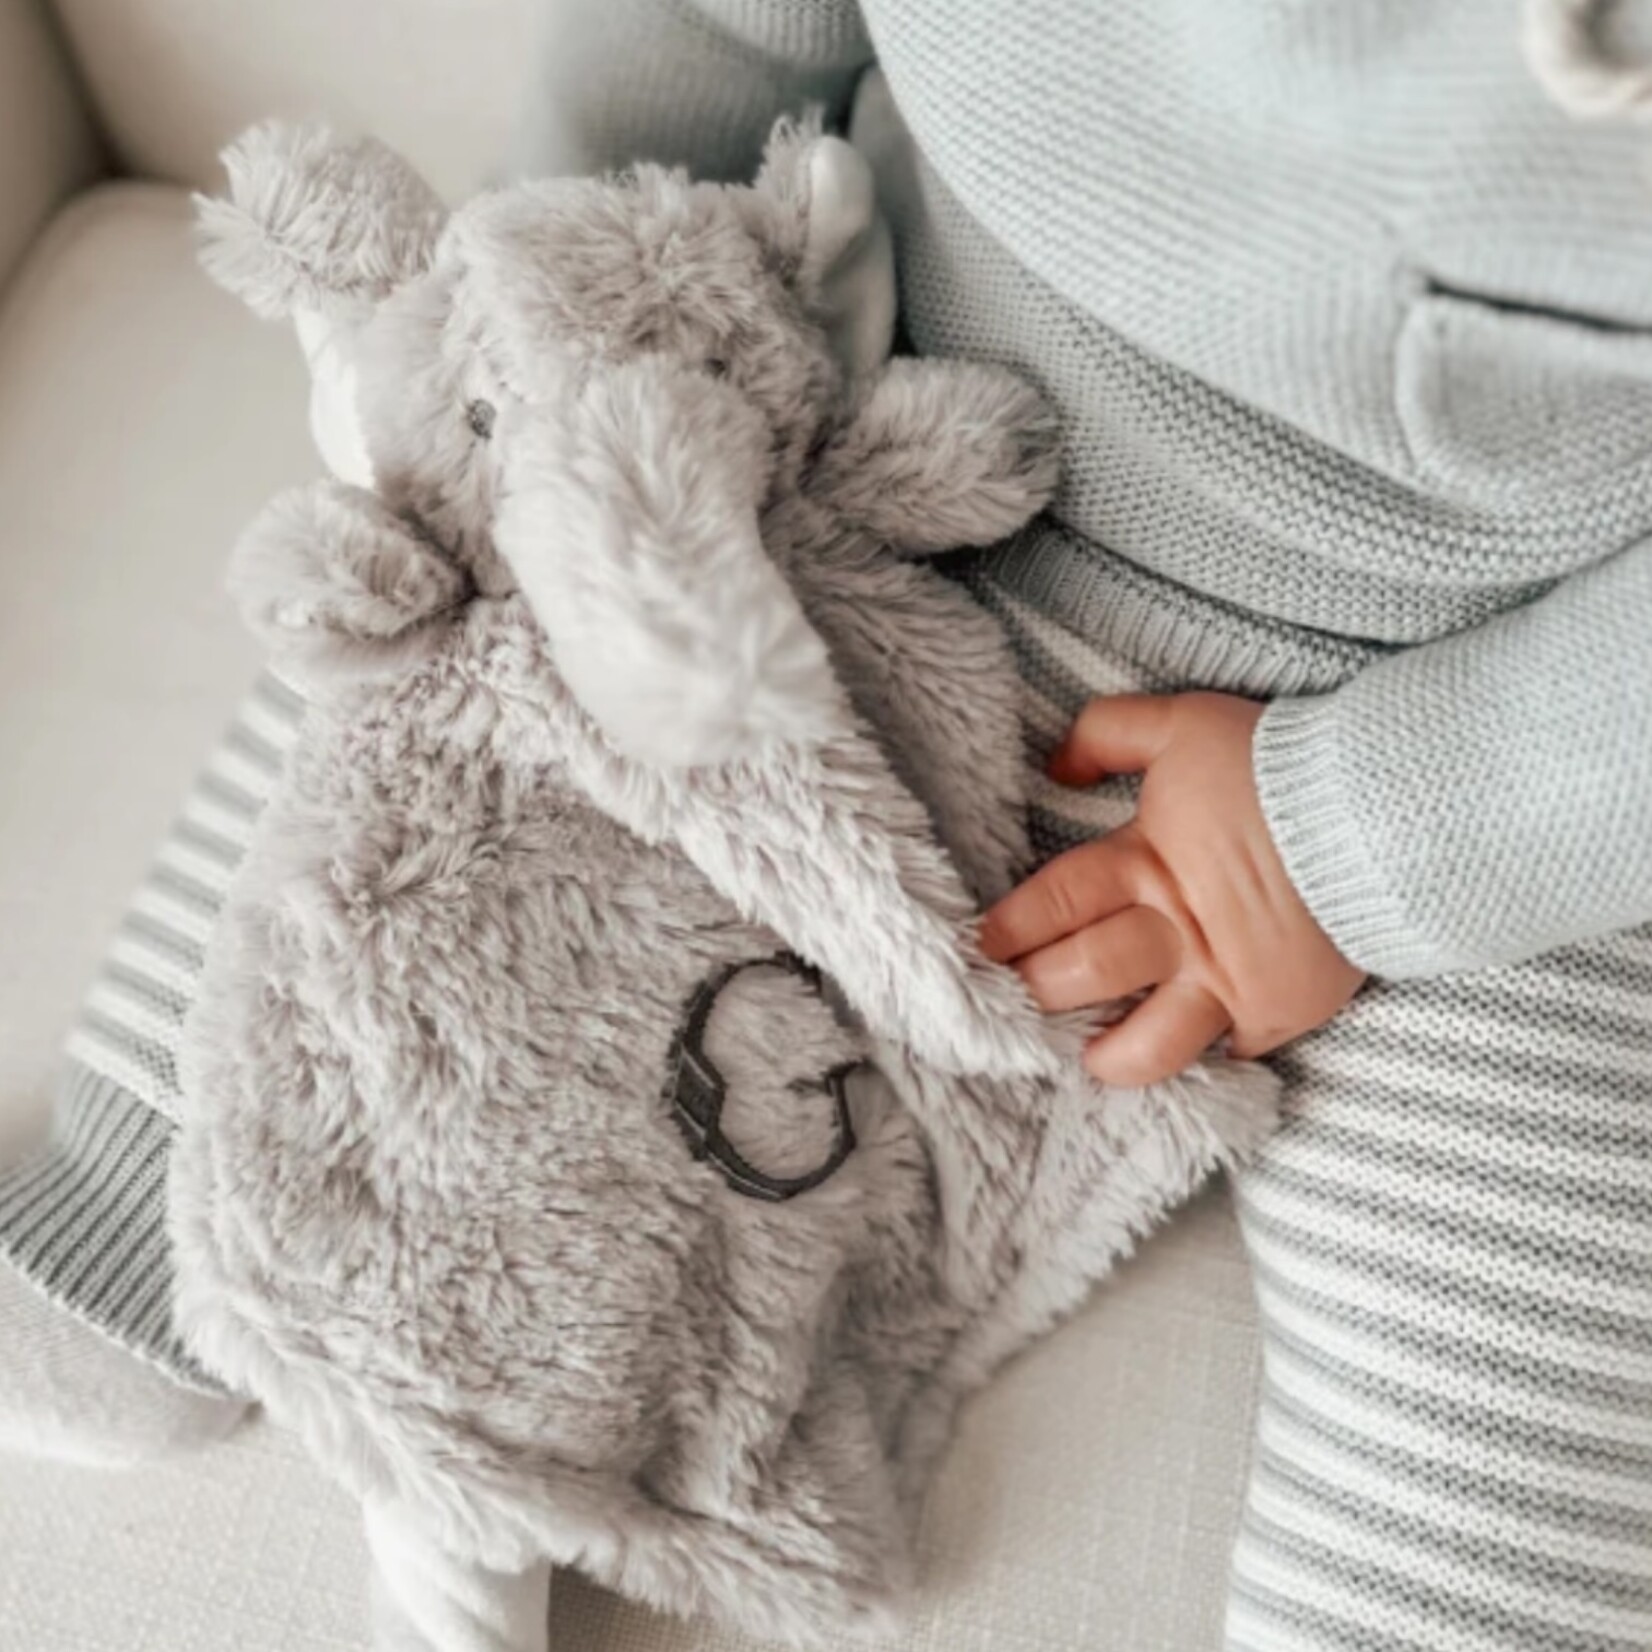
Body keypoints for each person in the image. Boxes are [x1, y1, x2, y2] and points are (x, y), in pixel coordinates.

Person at [524, 1, 1652, 1647]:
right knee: (451, 692)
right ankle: (190, 1147)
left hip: (1474, 700)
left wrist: (1368, 841)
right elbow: (692, 40)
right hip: (856, 438)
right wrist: (564, 369)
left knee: (1533, 1408)